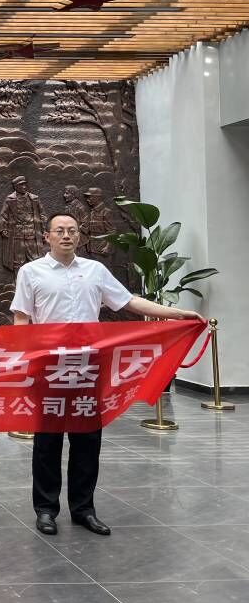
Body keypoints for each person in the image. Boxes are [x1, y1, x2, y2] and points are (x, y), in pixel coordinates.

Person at [11, 212, 202, 538]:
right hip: (50, 368)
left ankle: (84, 509)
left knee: (87, 441)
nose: (66, 235)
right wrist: (23, 360)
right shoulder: (31, 272)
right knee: (47, 442)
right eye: (60, 230)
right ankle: (45, 510)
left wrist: (177, 314)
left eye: (72, 230)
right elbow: (21, 318)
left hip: (88, 367)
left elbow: (130, 302)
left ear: (79, 236)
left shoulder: (95, 271)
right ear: (47, 236)